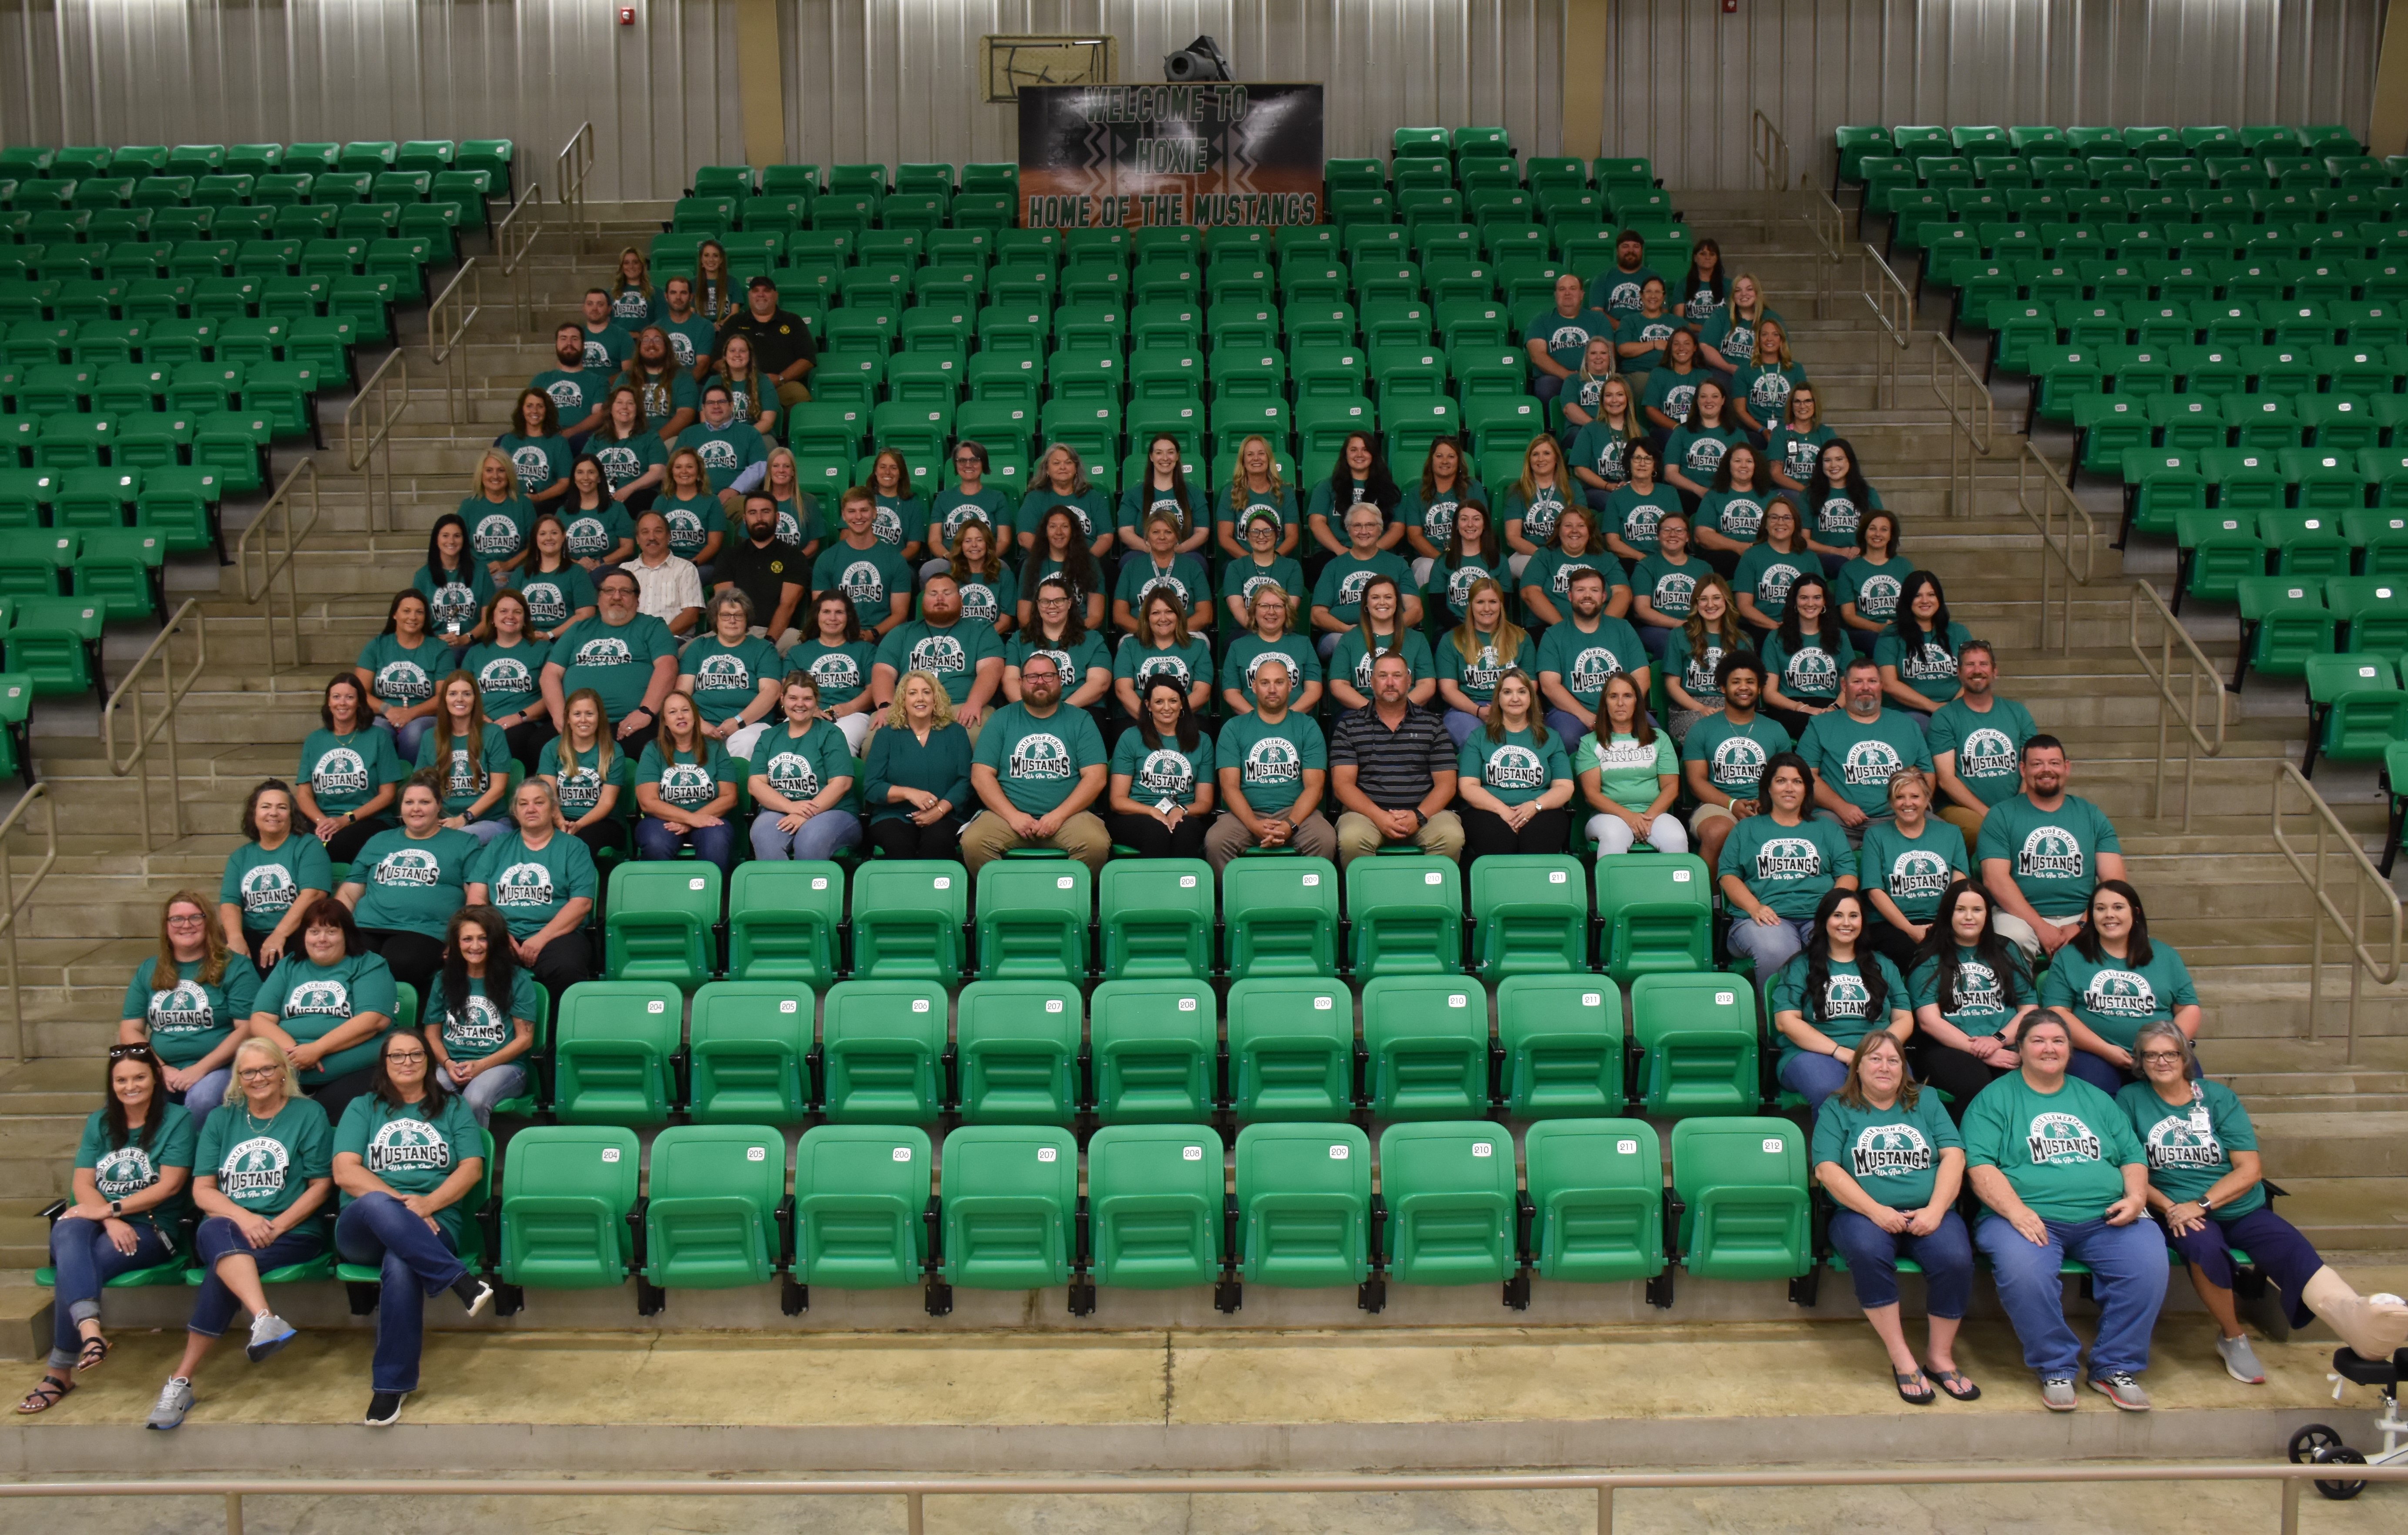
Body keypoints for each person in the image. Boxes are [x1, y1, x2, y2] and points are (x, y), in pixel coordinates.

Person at [2119, 1019, 2408, 1379]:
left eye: (2170, 1054)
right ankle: (2234, 1337)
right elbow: (2127, 1168)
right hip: (2176, 1210)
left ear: (2185, 1057)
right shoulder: (2129, 1100)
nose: (2162, 1062)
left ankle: (2355, 1316)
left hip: (2235, 1206)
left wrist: (2204, 1203)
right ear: (2140, 1061)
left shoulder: (2218, 1098)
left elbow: (2250, 1169)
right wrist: (2171, 1207)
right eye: (2152, 1055)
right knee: (2204, 1247)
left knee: (2290, 1245)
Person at [1961, 1013, 2167, 1413]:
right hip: (2023, 1215)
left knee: (2149, 1263)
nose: (2049, 1049)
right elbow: (1980, 1166)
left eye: (2058, 1041)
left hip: (2105, 1215)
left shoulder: (2095, 1098)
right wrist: (2016, 1212)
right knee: (2026, 1272)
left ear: (2070, 1050)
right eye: (2038, 1040)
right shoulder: (1995, 1099)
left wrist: (2137, 1198)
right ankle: (2056, 1366)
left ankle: (2114, 1366)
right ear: (2019, 1049)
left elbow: (2131, 1155)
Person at [142, 1036, 332, 1431]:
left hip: (292, 1232)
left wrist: (278, 1225)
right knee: (216, 1228)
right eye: (249, 1072)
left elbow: (320, 1186)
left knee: (221, 1267)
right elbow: (203, 1190)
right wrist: (246, 1218)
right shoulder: (221, 1118)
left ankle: (181, 1380)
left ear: (284, 1072)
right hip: (235, 1229)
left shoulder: (308, 1113)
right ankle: (263, 1318)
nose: (258, 1078)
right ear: (238, 1079)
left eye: (267, 1069)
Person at [330, 1028, 493, 1426]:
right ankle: (459, 1281)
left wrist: (431, 1204)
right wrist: (406, 1208)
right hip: (364, 1226)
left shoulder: (453, 1108)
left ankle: (390, 1386)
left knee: (402, 1263)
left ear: (429, 1061)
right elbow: (345, 1172)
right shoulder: (362, 1108)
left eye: (416, 1055)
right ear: (384, 1064)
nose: (407, 1063)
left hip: (438, 1220)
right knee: (374, 1202)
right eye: (397, 1056)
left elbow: (472, 1168)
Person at [19, 1046, 193, 1415]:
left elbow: (170, 1186)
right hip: (103, 1220)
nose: (130, 1086)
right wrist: (108, 1218)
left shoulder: (178, 1120)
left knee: (80, 1264)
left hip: (150, 1228)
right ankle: (91, 1332)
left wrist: (112, 1210)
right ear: (112, 1084)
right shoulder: (100, 1123)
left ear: (155, 1078)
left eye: (139, 1077)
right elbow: (82, 1184)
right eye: (122, 1080)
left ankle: (59, 1371)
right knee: (67, 1230)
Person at [1810, 1030, 1978, 1404]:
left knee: (1955, 1259)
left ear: (1904, 1068)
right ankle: (1902, 1357)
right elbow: (1826, 1170)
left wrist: (1935, 1211)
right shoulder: (1836, 1107)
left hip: (1929, 1211)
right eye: (1874, 1059)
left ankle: (1939, 1356)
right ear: (1857, 1067)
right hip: (1861, 1214)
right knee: (1868, 1254)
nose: (1884, 1067)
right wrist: (1876, 1211)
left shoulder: (1927, 1100)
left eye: (1893, 1060)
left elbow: (1954, 1156)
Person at [2041, 879, 2201, 1095]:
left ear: (2135, 913)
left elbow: (2188, 1008)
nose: (2109, 915)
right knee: (2094, 1085)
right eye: (2100, 909)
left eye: (2118, 907)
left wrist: (2163, 1048)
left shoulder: (2166, 956)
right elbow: (2057, 1012)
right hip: (2094, 1053)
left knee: (2187, 1085)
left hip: (2159, 1052)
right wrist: (2106, 1050)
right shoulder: (2070, 957)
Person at [1977, 735, 2126, 961]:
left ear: (2067, 768)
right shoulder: (2001, 815)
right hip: (2020, 916)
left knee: (2116, 928)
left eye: (2054, 763)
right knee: (2012, 937)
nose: (2047, 770)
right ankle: (2022, 997)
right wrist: (2040, 926)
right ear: (2023, 769)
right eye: (2037, 764)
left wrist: (2082, 924)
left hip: (2082, 915)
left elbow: (2114, 884)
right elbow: (1994, 879)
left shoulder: (2091, 815)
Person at [961, 652, 1110, 872]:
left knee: (1096, 844)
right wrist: (1014, 817)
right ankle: (1007, 902)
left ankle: (1065, 899)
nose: (1040, 681)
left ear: (1060, 680)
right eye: (1032, 677)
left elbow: (1096, 778)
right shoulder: (1002, 719)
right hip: (1008, 818)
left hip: (1069, 817)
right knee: (973, 842)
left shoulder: (1081, 720)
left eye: (1048, 676)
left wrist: (1058, 817)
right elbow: (981, 775)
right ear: (1021, 682)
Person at [123, 892, 260, 1125]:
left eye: (195, 917)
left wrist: (200, 1069)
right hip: (162, 1068)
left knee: (203, 1099)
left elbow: (247, 1028)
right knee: (126, 1096)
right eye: (177, 919)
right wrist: (160, 1068)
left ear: (208, 923)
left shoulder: (236, 967)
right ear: (166, 926)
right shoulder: (149, 969)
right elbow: (130, 1029)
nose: (186, 925)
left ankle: (193, 1159)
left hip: (220, 1068)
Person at [339, 771, 477, 1000]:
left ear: (439, 806)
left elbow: (475, 897)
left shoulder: (464, 844)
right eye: (409, 802)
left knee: (400, 963)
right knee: (348, 959)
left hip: (424, 930)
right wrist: (335, 927)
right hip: (368, 925)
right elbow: (349, 893)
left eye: (425, 802)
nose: (416, 809)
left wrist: (461, 938)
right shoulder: (379, 840)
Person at [1770, 888, 1912, 1109]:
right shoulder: (1799, 967)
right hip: (1813, 1054)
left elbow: (1904, 1018)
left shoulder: (1883, 965)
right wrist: (1839, 1051)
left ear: (1863, 922)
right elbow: (1785, 1022)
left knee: (1893, 1088)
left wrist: (1877, 1051)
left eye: (1854, 916)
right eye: (1838, 915)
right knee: (1831, 1091)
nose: (1846, 923)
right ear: (1823, 921)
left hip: (1875, 1052)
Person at [464, 778, 599, 1004]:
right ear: (515, 811)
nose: (531, 809)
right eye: (524, 804)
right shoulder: (498, 845)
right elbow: (476, 898)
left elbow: (582, 903)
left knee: (566, 966)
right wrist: (500, 936)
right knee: (478, 960)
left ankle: (558, 1034)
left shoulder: (574, 848)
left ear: (554, 808)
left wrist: (540, 939)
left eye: (539, 802)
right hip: (503, 934)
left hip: (557, 934)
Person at [1720, 752, 1856, 974]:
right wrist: (1755, 907)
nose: (1789, 788)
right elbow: (1728, 875)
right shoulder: (1746, 829)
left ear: (1807, 789)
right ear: (1769, 788)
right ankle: (1781, 1009)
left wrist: (1831, 910)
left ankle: (1820, 1009)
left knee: (1835, 951)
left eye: (1797, 782)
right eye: (1781, 781)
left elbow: (1848, 873)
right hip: (1764, 917)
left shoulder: (1827, 828)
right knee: (1779, 951)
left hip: (1817, 917)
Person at [1907, 879, 2034, 1114]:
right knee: (1976, 1085)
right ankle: (1972, 1148)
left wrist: (1997, 1040)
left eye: (1977, 910)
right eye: (1960, 910)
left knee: (2020, 1083)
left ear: (1987, 914)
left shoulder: (2007, 949)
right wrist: (1980, 1050)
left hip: (2003, 1041)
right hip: (1946, 1048)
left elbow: (2029, 1010)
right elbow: (1929, 1021)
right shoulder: (1929, 955)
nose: (1969, 917)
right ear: (1948, 913)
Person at [1329, 652, 1467, 867]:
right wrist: (1380, 817)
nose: (1390, 683)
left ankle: (1429, 898)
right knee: (1351, 839)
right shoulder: (1350, 725)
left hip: (1425, 813)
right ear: (1372, 682)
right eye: (1383, 676)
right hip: (1367, 815)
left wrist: (1418, 816)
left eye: (1397, 675)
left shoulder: (1432, 724)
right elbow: (1342, 786)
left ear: (1409, 681)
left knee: (1451, 836)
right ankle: (1368, 899)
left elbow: (1447, 784)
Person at [1206, 656, 1338, 870]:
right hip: (1247, 814)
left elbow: (1315, 787)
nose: (1272, 689)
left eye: (1279, 682)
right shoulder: (1234, 727)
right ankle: (1239, 900)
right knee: (1216, 841)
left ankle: (1305, 899)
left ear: (1290, 686)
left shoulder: (1308, 726)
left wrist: (1290, 824)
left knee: (1325, 839)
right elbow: (1229, 787)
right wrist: (1254, 825)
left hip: (1296, 813)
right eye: (1265, 683)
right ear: (1254, 687)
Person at [424, 904, 544, 1126]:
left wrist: (482, 1065)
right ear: (457, 943)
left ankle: (474, 1159)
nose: (475, 946)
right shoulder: (443, 979)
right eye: (467, 939)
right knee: (427, 1096)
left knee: (475, 1099)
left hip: (503, 1067)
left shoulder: (517, 979)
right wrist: (448, 1063)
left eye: (483, 938)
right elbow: (432, 1036)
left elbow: (525, 1039)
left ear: (495, 941)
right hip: (451, 1064)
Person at [1799, 657, 1934, 848]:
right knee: (1808, 836)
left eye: (1872, 681)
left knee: (1942, 833)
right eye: (1857, 682)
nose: (1866, 687)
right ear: (1844, 685)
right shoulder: (1820, 725)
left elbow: (1927, 773)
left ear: (1882, 685)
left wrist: (1910, 807)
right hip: (1841, 820)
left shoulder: (1907, 725)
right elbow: (1805, 775)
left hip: (1898, 817)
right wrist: (1841, 807)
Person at [1681, 652, 1790, 880]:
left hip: (1767, 805)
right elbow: (1696, 782)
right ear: (1723, 687)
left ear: (1760, 688)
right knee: (1718, 831)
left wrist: (1767, 802)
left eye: (1750, 682)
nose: (1744, 688)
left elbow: (1784, 777)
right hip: (1717, 804)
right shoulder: (1702, 729)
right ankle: (1711, 906)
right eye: (1736, 682)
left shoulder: (1776, 730)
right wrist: (1732, 805)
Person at [540, 566, 680, 742]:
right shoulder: (578, 629)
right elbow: (550, 673)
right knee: (537, 745)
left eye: (625, 592)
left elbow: (668, 667)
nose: (617, 597)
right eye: (609, 591)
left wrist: (646, 711)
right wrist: (561, 717)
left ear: (637, 599)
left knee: (648, 746)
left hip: (631, 722)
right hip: (578, 722)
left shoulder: (652, 627)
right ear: (598, 598)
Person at [1855, 765, 1969, 974]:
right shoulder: (1875, 836)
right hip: (1891, 925)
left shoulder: (1950, 833)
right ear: (1891, 802)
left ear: (1927, 799)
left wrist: (1942, 925)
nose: (1908, 803)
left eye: (1915, 796)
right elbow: (1874, 892)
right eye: (1900, 797)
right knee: (1917, 954)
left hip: (1942, 921)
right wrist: (1910, 930)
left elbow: (1960, 885)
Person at [1927, 641, 2036, 855]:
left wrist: (2016, 809)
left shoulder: (2017, 712)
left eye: (1984, 664)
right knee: (1982, 830)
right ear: (1959, 673)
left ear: (1995, 672)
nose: (1977, 671)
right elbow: (1946, 780)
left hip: (2014, 806)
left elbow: (2032, 766)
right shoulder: (1945, 717)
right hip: (1962, 809)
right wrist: (1991, 815)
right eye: (1970, 665)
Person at [1454, 669, 1574, 861]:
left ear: (1531, 697)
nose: (1515, 698)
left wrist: (1535, 806)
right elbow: (1468, 787)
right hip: (1489, 811)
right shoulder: (1478, 737)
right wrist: (1503, 810)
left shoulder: (1550, 737)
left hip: (1540, 811)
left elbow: (1565, 787)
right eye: (1508, 692)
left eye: (1522, 691)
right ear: (1498, 698)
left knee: (1538, 841)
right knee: (1499, 842)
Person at [745, 674, 861, 863]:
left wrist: (805, 814)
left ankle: (809, 892)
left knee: (811, 839)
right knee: (764, 836)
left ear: (816, 701)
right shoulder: (768, 737)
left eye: (808, 699)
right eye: (793, 698)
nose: (800, 704)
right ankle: (778, 892)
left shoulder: (831, 734)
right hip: (780, 810)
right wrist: (790, 807)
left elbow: (841, 784)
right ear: (782, 700)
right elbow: (755, 785)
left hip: (831, 811)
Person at [220, 781, 332, 972]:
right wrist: (236, 939)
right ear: (254, 814)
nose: (273, 813)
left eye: (282, 807)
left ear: (292, 814)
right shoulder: (241, 856)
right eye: (266, 807)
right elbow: (230, 902)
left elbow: (313, 894)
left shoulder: (308, 846)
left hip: (296, 935)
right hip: (252, 934)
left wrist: (279, 934)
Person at [863, 670, 973, 859]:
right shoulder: (886, 735)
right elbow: (872, 787)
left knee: (937, 842)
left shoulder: (956, 733)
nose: (920, 699)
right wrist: (909, 793)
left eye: (926, 692)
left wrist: (940, 810)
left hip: (946, 815)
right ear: (902, 700)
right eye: (912, 693)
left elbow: (966, 780)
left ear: (936, 698)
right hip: (895, 816)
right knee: (898, 844)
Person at [1534, 565, 1648, 744]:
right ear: (1570, 596)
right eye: (1581, 590)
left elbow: (1642, 678)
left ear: (1603, 597)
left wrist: (1621, 711)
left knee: (1653, 734)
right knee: (1568, 737)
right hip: (1572, 713)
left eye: (1594, 590)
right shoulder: (1553, 635)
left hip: (1623, 709)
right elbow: (1550, 686)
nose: (1588, 595)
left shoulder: (1623, 629)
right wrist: (1587, 716)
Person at [1107, 676, 1217, 859]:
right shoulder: (1130, 738)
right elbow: (1117, 801)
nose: (1167, 708)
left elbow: (1205, 803)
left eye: (1173, 701)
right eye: (1159, 702)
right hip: (1137, 814)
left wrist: (1181, 810)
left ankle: (1185, 887)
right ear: (1148, 705)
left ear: (1182, 703)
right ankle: (1153, 888)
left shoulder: (1202, 741)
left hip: (1184, 814)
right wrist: (1152, 811)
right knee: (1157, 832)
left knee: (1185, 833)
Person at [298, 674, 404, 865]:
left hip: (368, 820)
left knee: (339, 843)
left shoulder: (378, 737)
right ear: (328, 703)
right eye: (336, 697)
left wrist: (346, 819)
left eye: (350, 697)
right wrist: (322, 822)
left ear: (359, 703)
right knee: (295, 842)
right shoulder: (314, 740)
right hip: (324, 819)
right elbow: (304, 794)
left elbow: (388, 795)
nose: (342, 703)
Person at [1578, 672, 1684, 855]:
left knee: (1676, 837)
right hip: (1607, 817)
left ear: (1637, 702)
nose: (1620, 703)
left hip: (1654, 814)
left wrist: (1647, 818)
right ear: (1605, 703)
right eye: (1613, 696)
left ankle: (1673, 885)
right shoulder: (1590, 743)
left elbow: (1671, 788)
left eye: (1627, 696)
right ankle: (1612, 885)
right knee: (1614, 835)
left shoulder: (1660, 739)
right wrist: (1629, 817)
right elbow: (1592, 795)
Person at [633, 692, 738, 872]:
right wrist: (691, 819)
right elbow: (647, 802)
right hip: (662, 820)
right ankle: (665, 898)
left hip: (709, 817)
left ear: (695, 716)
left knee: (717, 841)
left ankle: (709, 898)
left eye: (685, 710)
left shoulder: (716, 747)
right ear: (665, 720)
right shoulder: (653, 750)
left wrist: (692, 822)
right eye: (673, 712)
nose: (680, 716)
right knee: (655, 843)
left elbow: (730, 797)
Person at [679, 588, 783, 760]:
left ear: (747, 619)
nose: (732, 621)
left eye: (739, 615)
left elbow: (771, 692)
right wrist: (699, 724)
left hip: (750, 724)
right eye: (726, 615)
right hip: (702, 724)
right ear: (715, 619)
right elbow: (682, 694)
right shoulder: (699, 648)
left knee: (746, 742)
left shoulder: (763, 649)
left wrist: (738, 721)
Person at [413, 671, 512, 843]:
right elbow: (422, 786)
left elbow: (499, 789)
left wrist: (464, 818)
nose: (460, 699)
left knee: (454, 841)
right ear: (444, 699)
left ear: (475, 700)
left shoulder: (493, 734)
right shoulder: (431, 737)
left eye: (467, 694)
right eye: (453, 694)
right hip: (445, 822)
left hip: (490, 821)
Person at [1311, 502, 1419, 654]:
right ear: (1348, 530)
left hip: (1390, 633)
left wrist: (1386, 631)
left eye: (1370, 525)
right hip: (1342, 634)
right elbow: (1317, 614)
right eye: (1357, 526)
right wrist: (1349, 631)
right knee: (1341, 644)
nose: (1364, 531)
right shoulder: (1333, 567)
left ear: (1380, 529)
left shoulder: (1397, 564)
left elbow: (1415, 610)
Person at [464, 590, 556, 769]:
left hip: (524, 724)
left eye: (517, 612)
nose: (511, 616)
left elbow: (553, 696)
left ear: (525, 619)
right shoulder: (476, 653)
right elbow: (463, 692)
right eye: (504, 611)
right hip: (481, 722)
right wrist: (479, 718)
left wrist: (519, 717)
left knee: (509, 740)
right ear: (492, 618)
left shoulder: (543, 649)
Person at [537, 689, 632, 862]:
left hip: (601, 822)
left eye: (589, 714)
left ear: (599, 717)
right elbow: (548, 797)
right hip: (559, 817)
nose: (583, 720)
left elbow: (607, 803)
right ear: (568, 718)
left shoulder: (613, 751)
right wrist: (560, 823)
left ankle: (579, 889)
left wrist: (578, 825)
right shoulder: (552, 749)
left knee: (580, 843)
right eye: (577, 714)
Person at [811, 484, 914, 639]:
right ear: (844, 516)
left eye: (864, 510)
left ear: (874, 513)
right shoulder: (827, 559)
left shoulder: (895, 559)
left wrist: (872, 633)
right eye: (852, 511)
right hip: (839, 637)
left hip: (882, 639)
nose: (858, 517)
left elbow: (900, 613)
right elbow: (822, 610)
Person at [1433, 576, 1526, 748]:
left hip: (1513, 706)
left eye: (1493, 602)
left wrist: (1505, 707)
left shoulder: (1521, 638)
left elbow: (1531, 684)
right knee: (1477, 740)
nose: (1487, 608)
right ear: (1470, 605)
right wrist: (1478, 711)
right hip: (1466, 710)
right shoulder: (1451, 640)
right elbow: (1447, 690)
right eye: (1480, 602)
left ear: (1501, 604)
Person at [1758, 573, 1854, 737]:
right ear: (1795, 601)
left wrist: (1834, 708)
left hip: (1831, 707)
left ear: (1824, 602)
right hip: (1790, 708)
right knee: (1815, 725)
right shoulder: (1776, 637)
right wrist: (1803, 708)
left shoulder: (1840, 637)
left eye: (1817, 598)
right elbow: (1769, 693)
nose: (1810, 604)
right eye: (1804, 598)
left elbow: (1850, 685)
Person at [711, 491, 807, 655]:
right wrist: (738, 641)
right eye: (753, 513)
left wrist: (768, 643)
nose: (760, 518)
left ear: (777, 518)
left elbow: (788, 606)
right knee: (687, 652)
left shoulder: (794, 556)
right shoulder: (729, 556)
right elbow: (726, 605)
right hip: (736, 631)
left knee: (801, 647)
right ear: (744, 519)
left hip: (780, 636)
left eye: (766, 512)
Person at [1662, 575, 1753, 747]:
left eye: (1717, 598)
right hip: (1688, 708)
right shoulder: (1679, 636)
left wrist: (1730, 708)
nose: (1710, 605)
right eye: (1704, 599)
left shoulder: (1744, 640)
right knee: (1706, 734)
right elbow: (1672, 685)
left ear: (1726, 601)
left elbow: (1748, 686)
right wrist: (1701, 709)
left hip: (1732, 705)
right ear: (1696, 604)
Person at [1326, 573, 1436, 713]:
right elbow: (1339, 685)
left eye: (1388, 597)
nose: (1382, 603)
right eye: (1375, 598)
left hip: (1408, 712)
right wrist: (1374, 710)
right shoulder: (1349, 640)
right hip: (1361, 712)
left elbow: (1427, 684)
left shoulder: (1417, 640)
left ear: (1397, 602)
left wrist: (1400, 708)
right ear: (1366, 603)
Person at [356, 590, 444, 763]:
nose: (413, 617)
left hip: (423, 717)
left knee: (414, 734)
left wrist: (411, 714)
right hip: (381, 715)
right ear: (395, 615)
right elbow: (359, 693)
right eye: (407, 611)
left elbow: (444, 696)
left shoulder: (439, 649)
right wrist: (387, 709)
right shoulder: (377, 646)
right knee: (376, 732)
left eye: (419, 612)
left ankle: (413, 784)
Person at [1006, 573, 1113, 713]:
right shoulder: (1019, 639)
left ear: (1069, 603)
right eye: (1045, 601)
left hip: (1079, 710)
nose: (1052, 606)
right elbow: (1010, 681)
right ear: (1038, 605)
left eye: (1059, 601)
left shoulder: (1093, 639)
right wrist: (1032, 710)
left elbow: (1099, 684)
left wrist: (1060, 711)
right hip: (1029, 711)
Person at [791, 590, 881, 753]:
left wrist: (847, 708)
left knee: (840, 741)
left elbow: (874, 689)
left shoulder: (866, 650)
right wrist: (810, 710)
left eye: (839, 612)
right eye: (826, 612)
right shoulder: (797, 653)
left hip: (853, 714)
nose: (833, 618)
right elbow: (787, 691)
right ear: (817, 616)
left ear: (849, 617)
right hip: (805, 711)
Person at [1114, 587, 1216, 727]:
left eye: (1169, 612)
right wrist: (1150, 718)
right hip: (1138, 719)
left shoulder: (1198, 646)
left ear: (1178, 615)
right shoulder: (1129, 646)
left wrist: (1171, 717)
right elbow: (1123, 691)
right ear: (1147, 618)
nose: (1163, 618)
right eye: (1156, 613)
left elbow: (1202, 693)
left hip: (1186, 718)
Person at [713, 274, 816, 410]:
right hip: (739, 384)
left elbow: (807, 359)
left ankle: (784, 432)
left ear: (776, 295)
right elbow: (716, 361)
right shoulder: (735, 322)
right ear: (749, 296)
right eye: (756, 291)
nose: (761, 295)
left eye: (766, 291)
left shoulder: (793, 321)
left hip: (782, 385)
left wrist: (780, 379)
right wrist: (743, 377)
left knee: (800, 397)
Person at [1221, 580, 1322, 717]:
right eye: (1264, 606)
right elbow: (1231, 693)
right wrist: (1259, 719)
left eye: (1278, 606)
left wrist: (1288, 718)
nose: (1271, 612)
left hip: (1296, 721)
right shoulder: (1237, 646)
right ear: (1254, 610)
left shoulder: (1303, 644)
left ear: (1287, 611)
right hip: (1251, 723)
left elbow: (1314, 690)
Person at [1875, 572, 1970, 717]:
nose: (1925, 601)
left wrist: (1953, 708)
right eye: (1917, 596)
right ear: (1908, 600)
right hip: (1908, 712)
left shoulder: (1959, 632)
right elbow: (1889, 684)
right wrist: (1934, 707)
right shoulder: (1891, 635)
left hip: (1956, 709)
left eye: (1931, 595)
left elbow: (1973, 674)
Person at [1520, 504, 1628, 632]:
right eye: (1568, 526)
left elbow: (1623, 593)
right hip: (1550, 629)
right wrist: (1563, 628)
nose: (1575, 530)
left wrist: (1601, 629)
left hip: (1599, 631)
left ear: (1590, 531)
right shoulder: (1544, 556)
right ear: (1559, 531)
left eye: (1581, 526)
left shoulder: (1606, 559)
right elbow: (1530, 592)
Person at [1306, 431, 1405, 560]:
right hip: (1335, 554)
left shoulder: (1388, 489)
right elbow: (1316, 523)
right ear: (1345, 454)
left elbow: (1398, 528)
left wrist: (1372, 551)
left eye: (1365, 450)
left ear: (1373, 455)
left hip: (1378, 554)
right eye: (1354, 450)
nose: (1360, 455)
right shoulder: (1327, 486)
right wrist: (1341, 551)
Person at [1114, 510, 1214, 637]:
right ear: (1147, 537)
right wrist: (1150, 633)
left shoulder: (1193, 567)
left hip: (1186, 633)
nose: (1162, 537)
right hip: (1142, 635)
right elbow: (1119, 615)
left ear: (1177, 536)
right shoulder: (1131, 567)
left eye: (1168, 532)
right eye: (1156, 532)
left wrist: (1174, 632)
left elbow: (1206, 615)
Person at [1400, 437, 1485, 586]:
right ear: (1431, 460)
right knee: (1427, 569)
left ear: (1459, 461)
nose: (1445, 461)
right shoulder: (1416, 493)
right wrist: (1442, 560)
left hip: (1468, 554)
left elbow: (1483, 527)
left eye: (1451, 456)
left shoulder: (1473, 488)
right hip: (1430, 558)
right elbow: (1414, 537)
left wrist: (1467, 558)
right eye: (1439, 456)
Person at [676, 385, 769, 516]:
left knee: (745, 507)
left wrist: (734, 490)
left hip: (733, 499)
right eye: (710, 403)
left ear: (731, 405)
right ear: (703, 408)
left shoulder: (749, 433)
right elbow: (674, 468)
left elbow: (759, 466)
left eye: (722, 402)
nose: (716, 406)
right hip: (695, 497)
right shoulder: (688, 434)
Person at [1114, 433, 1211, 559]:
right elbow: (1125, 532)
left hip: (1184, 553)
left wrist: (1180, 549)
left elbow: (1202, 533)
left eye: (1170, 452)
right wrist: (1151, 549)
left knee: (1198, 563)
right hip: (1144, 553)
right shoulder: (1133, 494)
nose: (1165, 458)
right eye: (1159, 453)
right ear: (1151, 457)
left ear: (1177, 456)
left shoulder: (1194, 493)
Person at [1524, 270, 1614, 403]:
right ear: (1555, 295)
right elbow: (1537, 357)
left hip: (1594, 377)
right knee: (1546, 387)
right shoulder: (1541, 320)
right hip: (1556, 379)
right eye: (1562, 289)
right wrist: (1569, 376)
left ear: (1582, 294)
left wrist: (1591, 376)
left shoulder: (1598, 319)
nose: (1567, 293)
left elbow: (1609, 353)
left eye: (1573, 289)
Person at [1017, 442, 1113, 563]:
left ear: (1076, 469)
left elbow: (1106, 537)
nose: (1063, 467)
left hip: (1087, 560)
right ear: (1047, 469)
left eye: (1068, 463)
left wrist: (1086, 560)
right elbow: (1025, 537)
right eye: (1056, 463)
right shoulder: (1034, 498)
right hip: (1043, 560)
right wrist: (1054, 560)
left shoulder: (1094, 497)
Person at [1626, 508, 1702, 660]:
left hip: (1694, 627)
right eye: (1667, 530)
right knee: (1670, 641)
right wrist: (1680, 624)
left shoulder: (1703, 568)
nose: (1673, 534)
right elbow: (1641, 611)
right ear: (1658, 536)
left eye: (1679, 530)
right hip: (1655, 629)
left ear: (1688, 537)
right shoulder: (1646, 566)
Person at [1732, 499, 1816, 636]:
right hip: (1762, 629)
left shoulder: (1810, 559)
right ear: (1765, 523)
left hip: (1802, 628)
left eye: (1787, 518)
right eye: (1774, 517)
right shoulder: (1751, 556)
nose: (1780, 523)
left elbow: (1820, 600)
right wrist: (1775, 627)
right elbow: (1744, 606)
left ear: (1796, 523)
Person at [1691, 442, 1773, 578]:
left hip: (1761, 555)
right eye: (1737, 461)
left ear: (1756, 466)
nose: (1744, 466)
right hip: (1725, 556)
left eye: (1749, 461)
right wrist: (1738, 547)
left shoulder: (1770, 498)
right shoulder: (1714, 496)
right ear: (1728, 466)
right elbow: (1702, 535)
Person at [1020, 503, 1106, 633]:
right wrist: (1049, 635)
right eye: (1053, 527)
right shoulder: (1031, 564)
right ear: (1045, 532)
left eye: (1065, 527)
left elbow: (1096, 617)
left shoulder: (1090, 563)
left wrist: (1068, 634)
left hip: (1079, 634)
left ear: (1073, 531)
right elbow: (1024, 618)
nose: (1059, 532)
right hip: (1041, 636)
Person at [515, 514, 600, 644]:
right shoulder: (521, 572)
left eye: (554, 533)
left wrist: (550, 635)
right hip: (524, 640)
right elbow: (508, 608)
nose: (549, 538)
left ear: (563, 536)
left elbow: (586, 614)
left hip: (565, 641)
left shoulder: (577, 572)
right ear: (535, 539)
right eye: (542, 534)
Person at [1216, 433, 1301, 563]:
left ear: (1269, 459)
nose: (1256, 458)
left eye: (1261, 453)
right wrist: (1252, 562)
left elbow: (1292, 537)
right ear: (1243, 461)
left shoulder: (1286, 492)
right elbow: (1224, 538)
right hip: (1242, 562)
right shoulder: (1230, 492)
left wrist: (1271, 560)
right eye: (1250, 455)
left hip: (1277, 561)